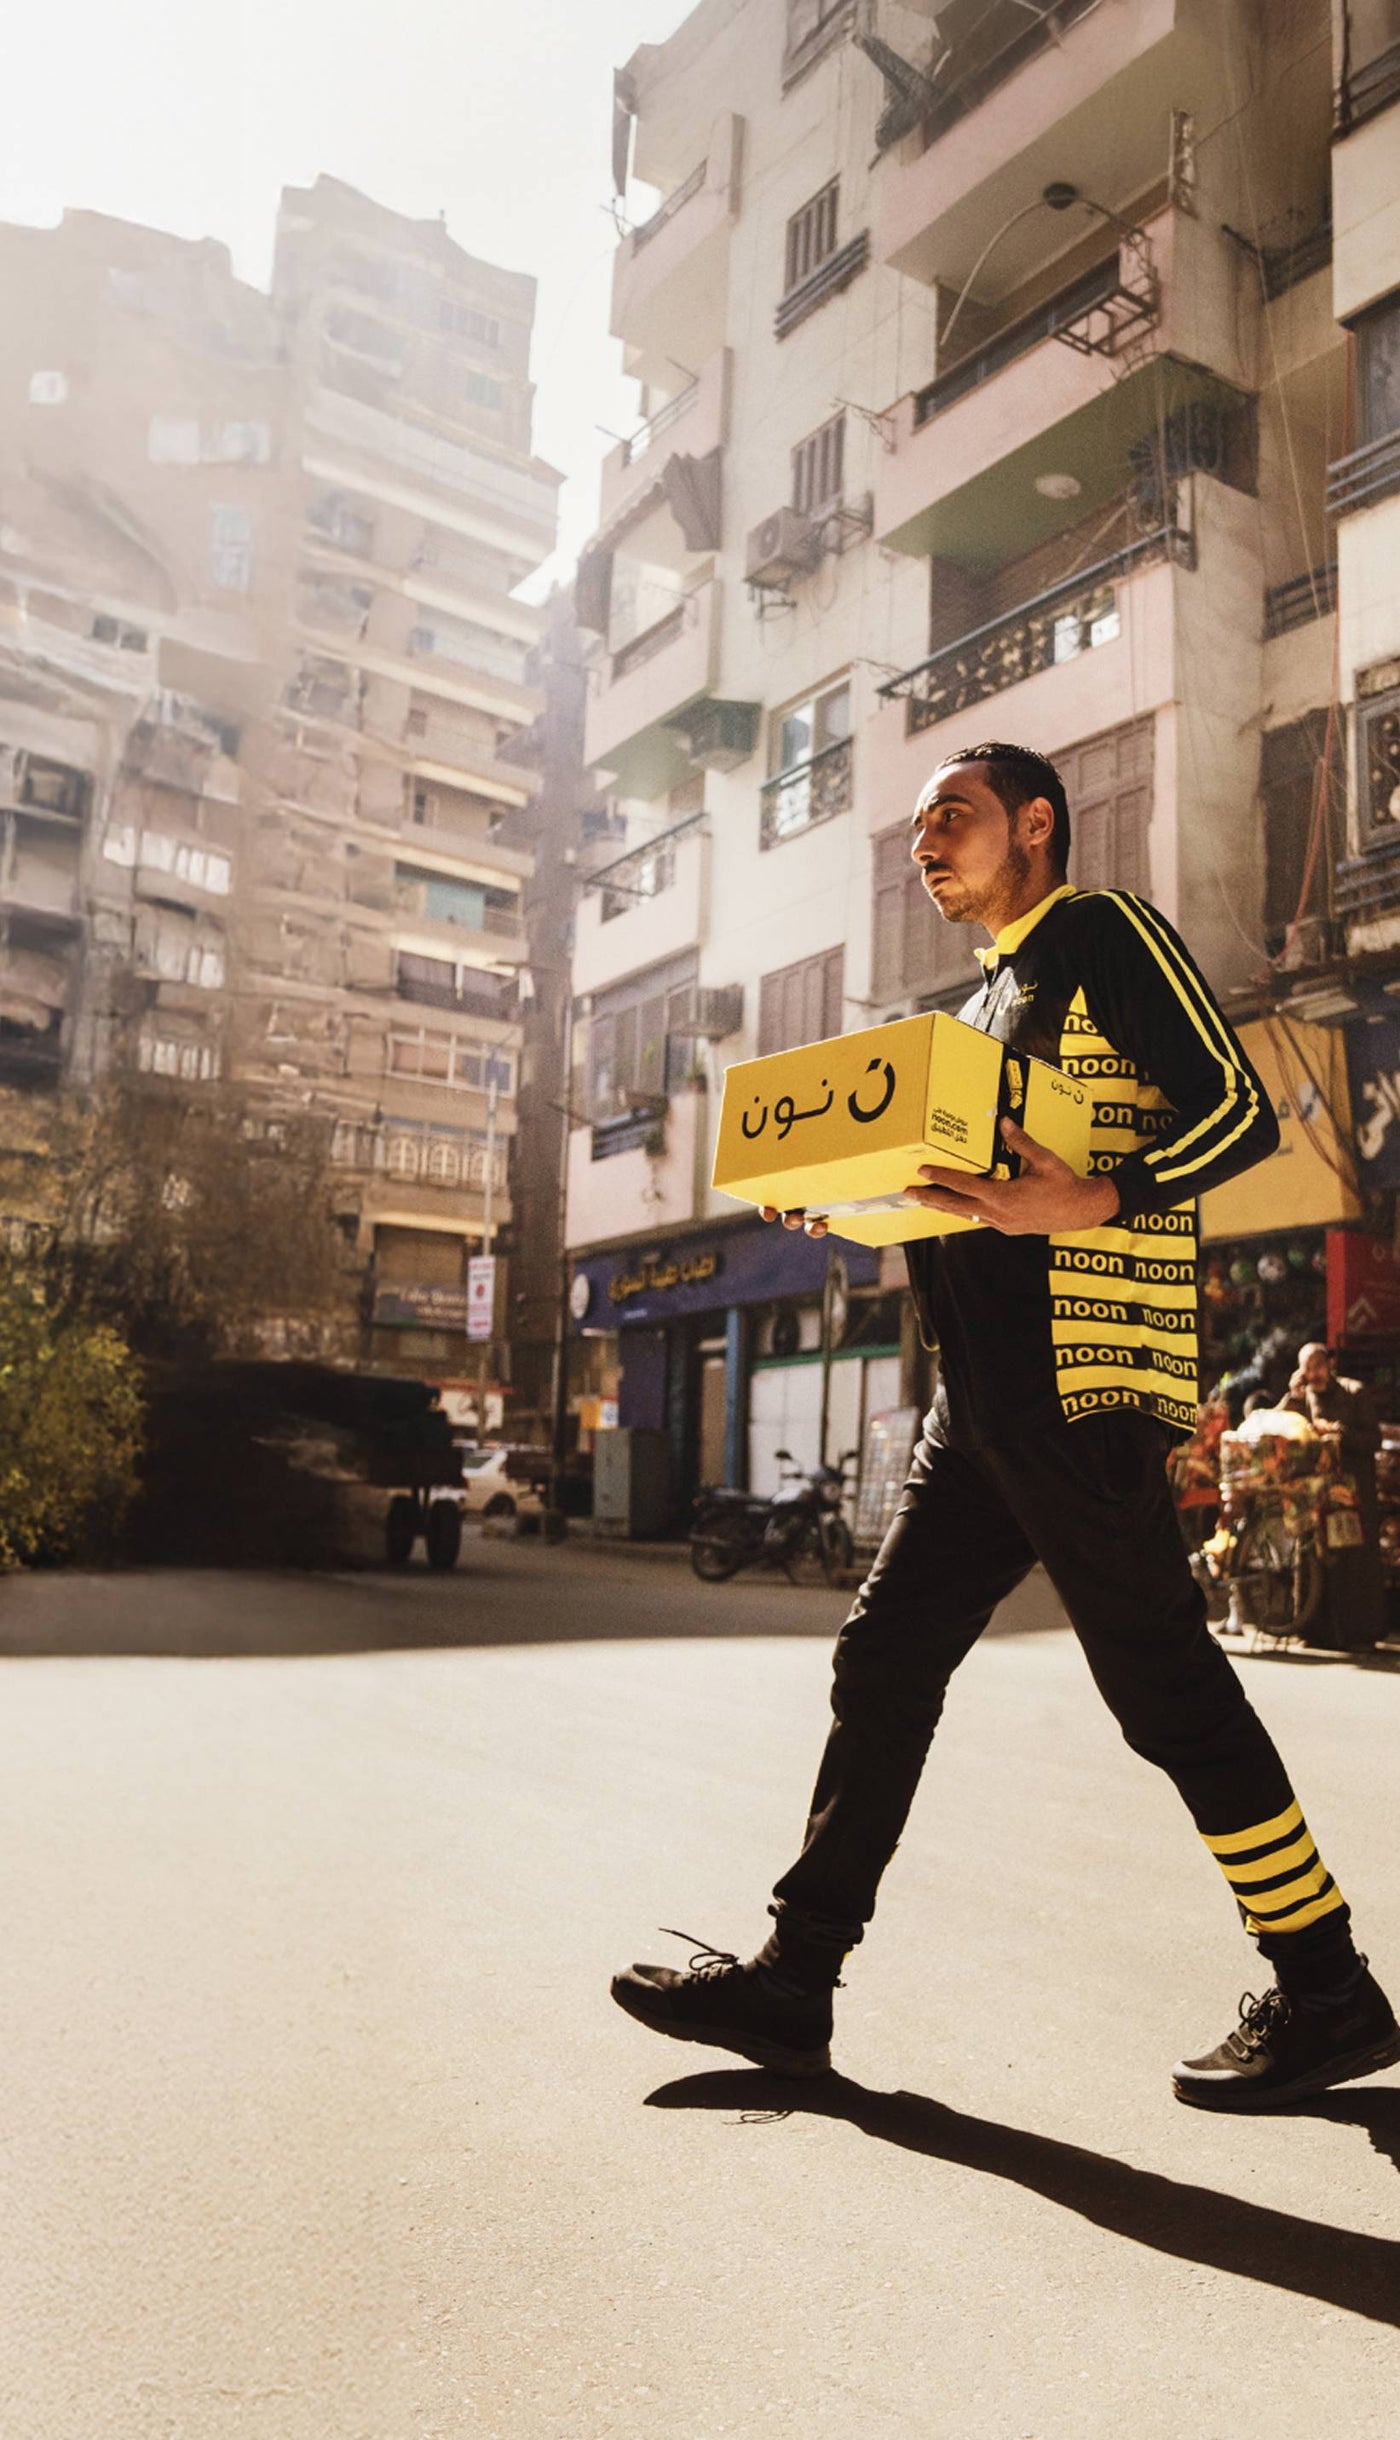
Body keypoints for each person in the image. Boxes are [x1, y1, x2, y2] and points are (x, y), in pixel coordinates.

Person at [611, 740, 1399, 2111]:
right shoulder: (974, 1009)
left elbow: (1239, 1114)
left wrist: (1096, 1198)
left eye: (951, 816)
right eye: (919, 825)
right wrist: (838, 1201)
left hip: (1079, 1382)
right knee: (883, 1659)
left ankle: (1326, 1985)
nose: (924, 842)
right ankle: (795, 1980)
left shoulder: (1101, 936)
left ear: (1035, 825)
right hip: (974, 1409)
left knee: (1165, 1690)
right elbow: (960, 1205)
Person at [1280, 1342, 1386, 1650]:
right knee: (1311, 1559)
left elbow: (1373, 1439)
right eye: (1307, 1368)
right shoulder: (1300, 1397)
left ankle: (1357, 1635)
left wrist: (1338, 1432)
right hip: (1314, 1496)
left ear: (1329, 1366)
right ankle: (1312, 1631)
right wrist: (1292, 1397)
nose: (1314, 1374)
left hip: (1352, 1495)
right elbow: (1279, 1429)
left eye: (1318, 1366)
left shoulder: (1354, 1393)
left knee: (1352, 1565)